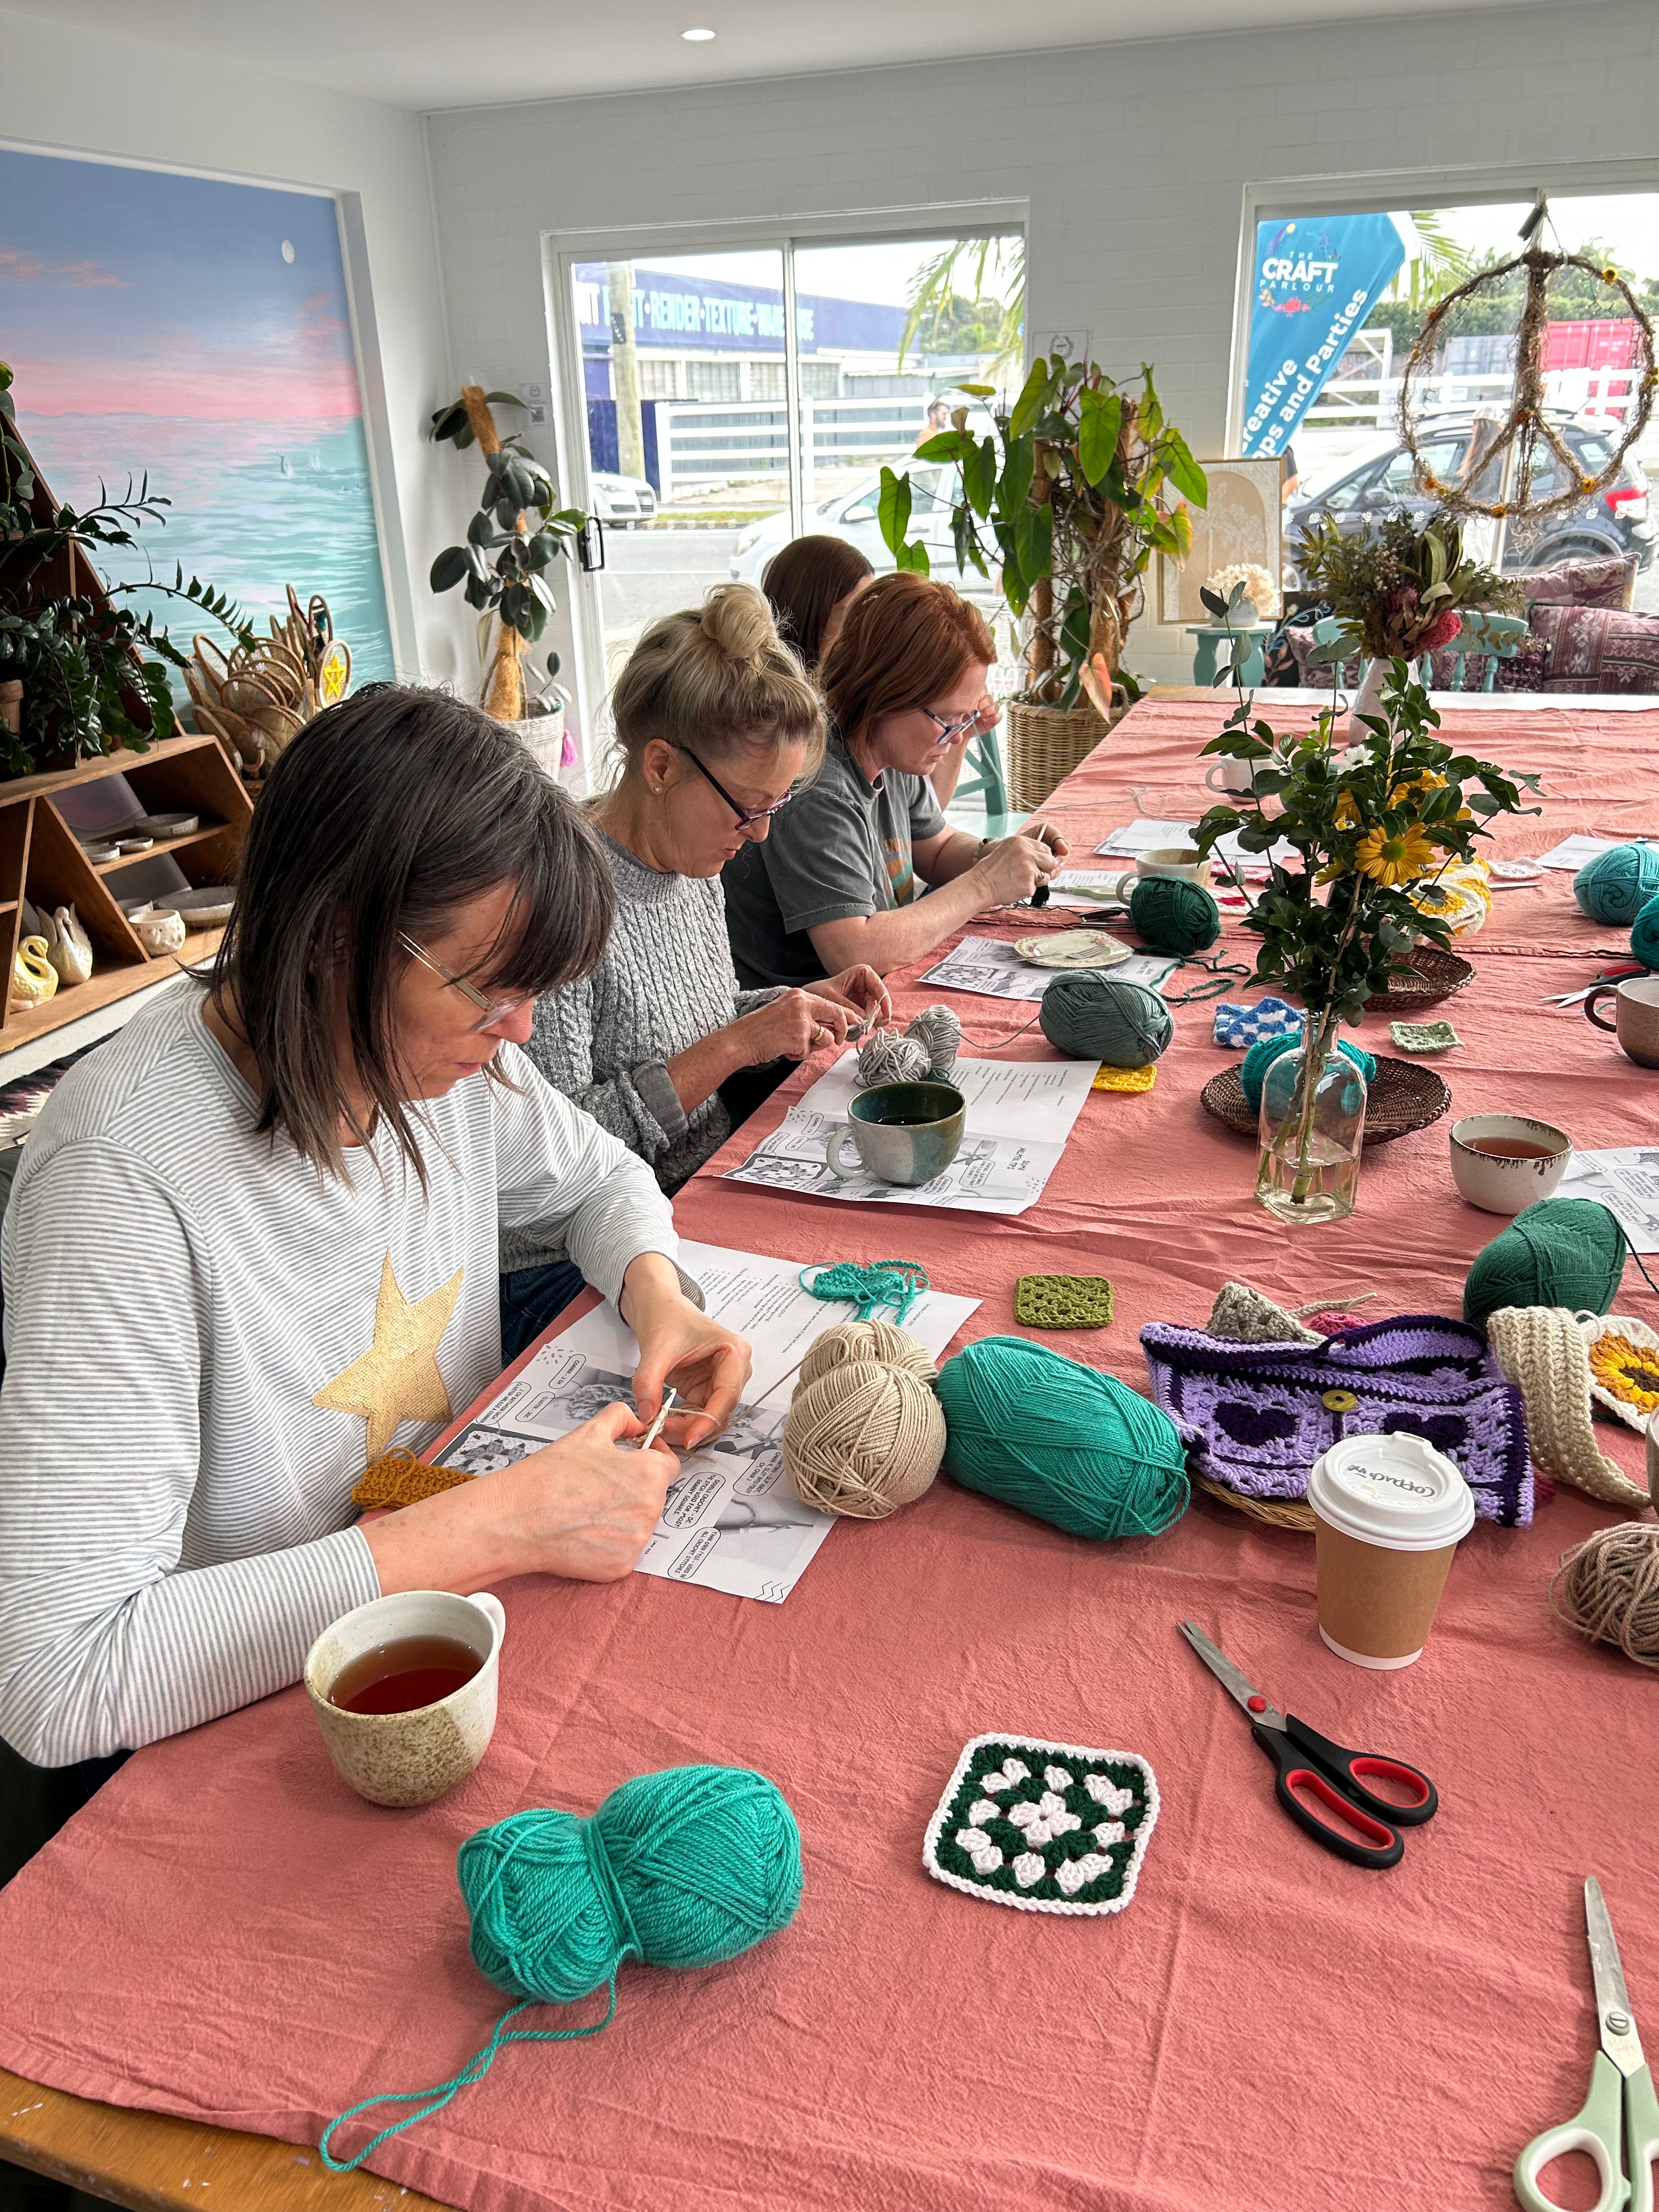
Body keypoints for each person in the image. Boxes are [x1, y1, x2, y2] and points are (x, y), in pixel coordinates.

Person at [0, 687, 751, 1815]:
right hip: (260, 1712)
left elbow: (601, 1177)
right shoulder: (121, 1177)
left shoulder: (443, 1057)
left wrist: (658, 1295)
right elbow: (61, 1676)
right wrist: (498, 1525)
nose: (524, 1035)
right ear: (337, 939)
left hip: (432, 1586)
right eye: (491, 990)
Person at [506, 587, 889, 1353]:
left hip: (691, 1198)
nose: (761, 835)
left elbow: (689, 1015)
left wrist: (794, 1001)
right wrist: (741, 1044)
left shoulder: (693, 863)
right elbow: (558, 1157)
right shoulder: (561, 898)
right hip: (571, 1263)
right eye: (750, 809)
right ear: (659, 766)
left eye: (777, 806)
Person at [723, 572, 1066, 988]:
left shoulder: (893, 753)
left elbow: (935, 851)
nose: (958, 737)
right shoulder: (815, 788)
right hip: (801, 1030)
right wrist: (987, 882)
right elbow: (857, 951)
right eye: (949, 720)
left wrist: (1003, 855)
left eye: (966, 720)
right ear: (889, 692)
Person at [760, 535, 873, 672]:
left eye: (869, 609)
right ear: (801, 615)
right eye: (847, 614)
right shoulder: (757, 689)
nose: (864, 626)